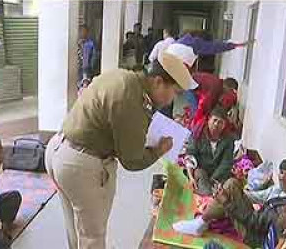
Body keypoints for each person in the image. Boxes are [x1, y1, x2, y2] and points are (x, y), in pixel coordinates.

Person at [45, 44, 198, 249]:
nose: (173, 100)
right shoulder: (132, 98)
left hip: (59, 149)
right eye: (175, 92)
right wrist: (159, 150)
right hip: (81, 165)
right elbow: (132, 161)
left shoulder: (125, 77)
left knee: (76, 227)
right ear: (158, 81)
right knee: (92, 236)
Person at [175, 158, 286, 248]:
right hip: (256, 218)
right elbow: (256, 196)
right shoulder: (278, 189)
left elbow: (253, 222)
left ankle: (200, 223)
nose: (282, 177)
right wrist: (236, 191)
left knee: (228, 191)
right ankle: (201, 222)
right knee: (232, 184)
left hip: (253, 234)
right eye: (281, 173)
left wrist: (227, 202)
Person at [184, 107, 235, 196]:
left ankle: (209, 195)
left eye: (220, 122)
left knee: (230, 186)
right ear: (208, 120)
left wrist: (212, 180)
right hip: (201, 172)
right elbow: (190, 155)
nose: (216, 124)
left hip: (218, 175)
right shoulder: (197, 134)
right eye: (214, 120)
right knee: (201, 178)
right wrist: (191, 178)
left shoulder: (228, 140)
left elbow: (226, 163)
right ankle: (208, 195)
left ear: (224, 125)